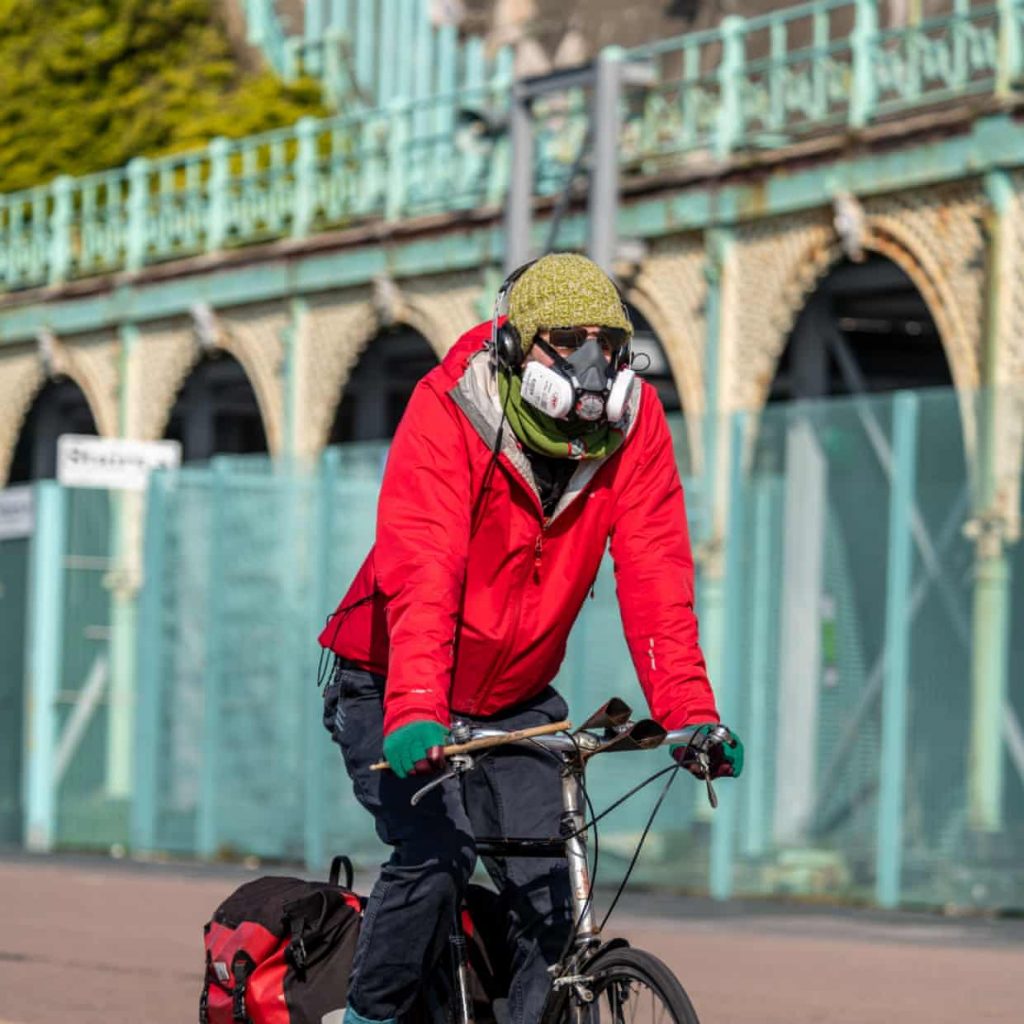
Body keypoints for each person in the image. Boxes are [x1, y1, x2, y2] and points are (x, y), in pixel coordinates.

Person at [318, 253, 743, 1024]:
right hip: (389, 680)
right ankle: (367, 1018)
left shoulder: (636, 427)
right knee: (436, 858)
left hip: (515, 699)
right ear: (515, 346)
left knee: (557, 896)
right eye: (565, 341)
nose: (590, 364)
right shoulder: (452, 406)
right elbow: (425, 568)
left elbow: (657, 582)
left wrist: (689, 714)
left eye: (607, 344)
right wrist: (415, 704)